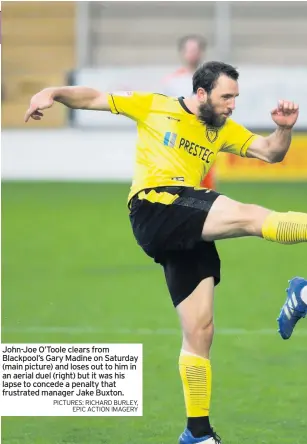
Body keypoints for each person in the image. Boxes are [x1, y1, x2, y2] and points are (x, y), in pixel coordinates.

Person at [25, 61, 307, 444]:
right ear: (202, 93)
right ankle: (302, 293)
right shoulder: (155, 106)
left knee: (200, 331)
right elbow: (93, 97)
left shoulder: (222, 130)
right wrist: (53, 93)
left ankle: (197, 433)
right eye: (227, 97)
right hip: (156, 206)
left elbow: (271, 152)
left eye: (236, 98)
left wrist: (284, 129)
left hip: (184, 224)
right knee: (252, 217)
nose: (232, 105)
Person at [162, 35, 215, 191]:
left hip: (203, 139)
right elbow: (165, 114)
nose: (193, 53)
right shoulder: (171, 82)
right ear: (182, 52)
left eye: (196, 50)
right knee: (177, 187)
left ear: (202, 53)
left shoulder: (211, 81)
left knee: (206, 188)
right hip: (178, 140)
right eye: (189, 49)